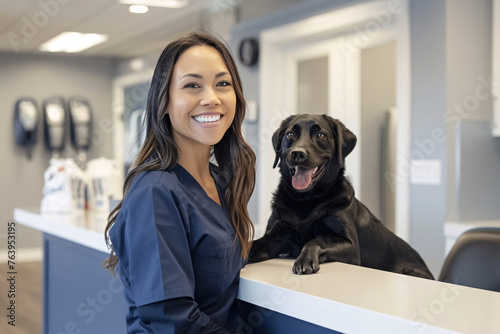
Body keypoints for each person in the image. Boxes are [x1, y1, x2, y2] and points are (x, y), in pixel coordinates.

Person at [103, 31, 256, 333]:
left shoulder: (222, 182)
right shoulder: (156, 192)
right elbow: (172, 319)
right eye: (192, 86)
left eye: (222, 84)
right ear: (164, 102)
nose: (211, 98)